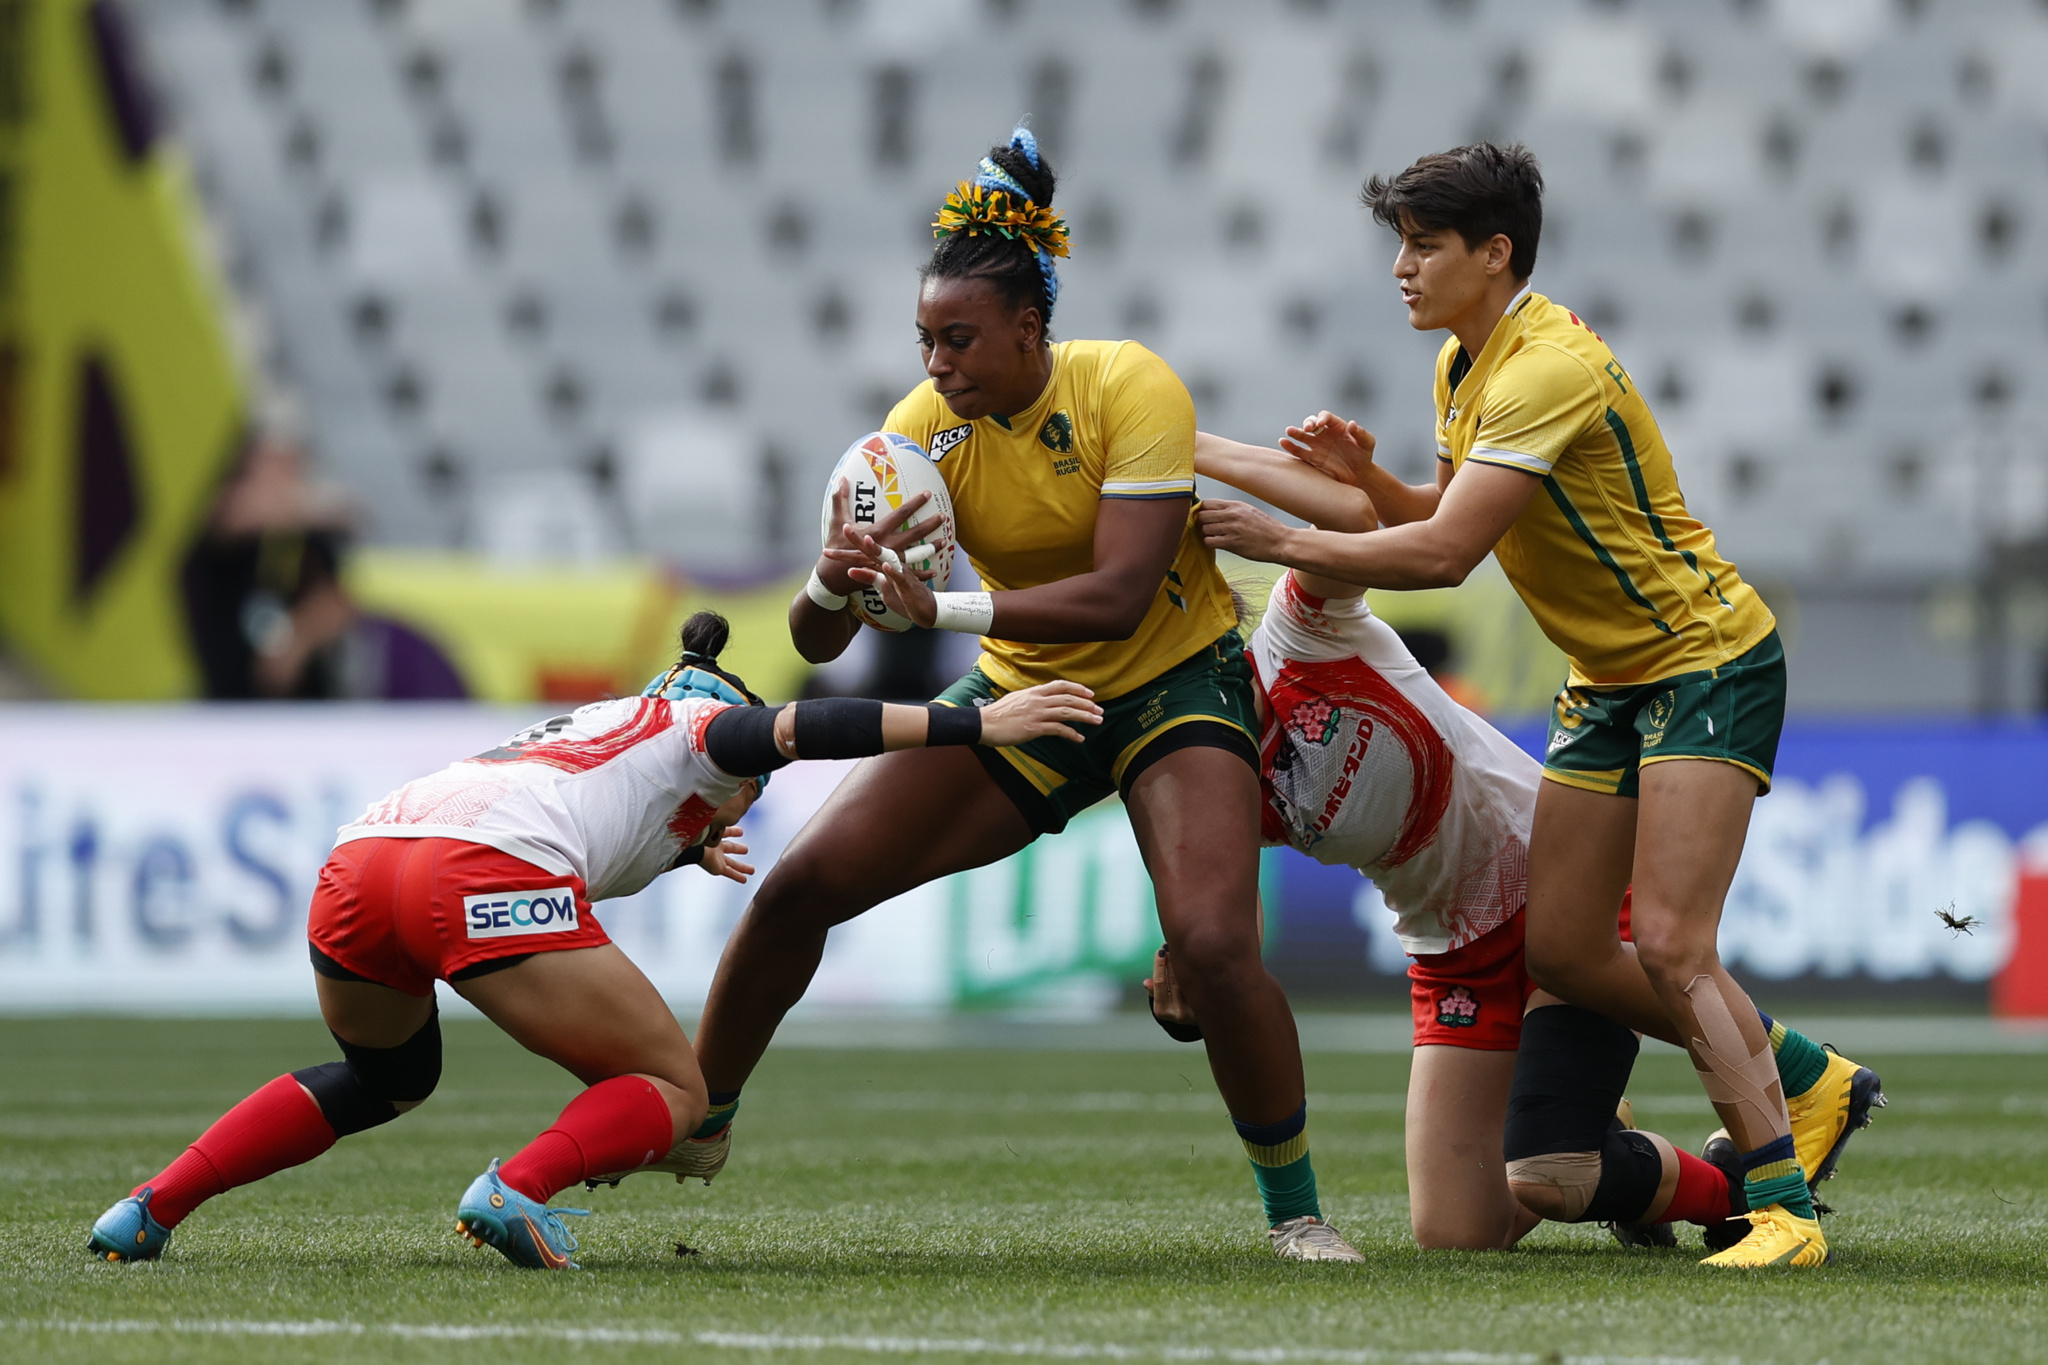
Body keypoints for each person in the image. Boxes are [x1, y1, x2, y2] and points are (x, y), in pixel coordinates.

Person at [692, 127, 1362, 1262]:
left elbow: (1116, 595)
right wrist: (832, 579)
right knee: (800, 888)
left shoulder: (1127, 383)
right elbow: (812, 638)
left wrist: (937, 612)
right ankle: (694, 1116)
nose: (936, 362)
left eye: (958, 338)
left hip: (1173, 681)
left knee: (1207, 943)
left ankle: (1294, 1213)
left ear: (1028, 329)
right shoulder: (918, 432)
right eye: (923, 339)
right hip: (1024, 693)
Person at [1195, 143, 1863, 1268]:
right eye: (1397, 245)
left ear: (1492, 253)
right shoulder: (1467, 365)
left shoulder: (1541, 366)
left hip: (1702, 660)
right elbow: (1445, 509)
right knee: (1564, 945)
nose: (1399, 268)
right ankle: (1808, 1078)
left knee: (1665, 943)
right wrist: (1368, 484)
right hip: (1606, 682)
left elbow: (1450, 555)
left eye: (1422, 245)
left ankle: (1782, 1210)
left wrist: (1283, 538)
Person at [86, 612, 1100, 1271]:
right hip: (473, 871)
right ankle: (516, 1189)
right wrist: (976, 725)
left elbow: (597, 817)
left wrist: (682, 852)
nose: (747, 801)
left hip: (360, 864)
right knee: (674, 1090)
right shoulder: (697, 730)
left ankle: (149, 1208)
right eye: (748, 793)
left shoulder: (605, 728)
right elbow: (795, 729)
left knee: (381, 1079)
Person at [1152, 434, 1881, 1253]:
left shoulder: (1298, 633)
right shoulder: (1200, 768)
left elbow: (1352, 514)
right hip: (1450, 953)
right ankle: (1678, 1175)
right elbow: (1231, 923)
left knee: (1547, 1176)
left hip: (1565, 892)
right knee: (1459, 1235)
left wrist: (1183, 442)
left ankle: (1765, 1139)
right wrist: (1193, 972)